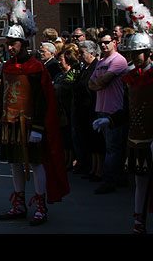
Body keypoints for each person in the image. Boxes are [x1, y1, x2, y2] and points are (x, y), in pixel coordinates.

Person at [0, 0, 69, 226]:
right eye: (8, 43)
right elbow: (1, 97)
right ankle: (18, 203)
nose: (10, 47)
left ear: (22, 43)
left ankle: (40, 203)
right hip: (11, 123)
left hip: (30, 124)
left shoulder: (36, 67)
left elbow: (42, 99)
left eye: (13, 43)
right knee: (14, 164)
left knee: (36, 164)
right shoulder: (7, 67)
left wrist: (37, 127)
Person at [102, 0, 153, 232]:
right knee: (140, 181)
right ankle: (138, 220)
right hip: (138, 137)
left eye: (138, 54)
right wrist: (110, 121)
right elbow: (127, 109)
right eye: (132, 53)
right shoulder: (131, 77)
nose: (134, 57)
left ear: (148, 53)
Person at [89, 29, 129, 195]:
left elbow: (103, 81)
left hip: (114, 110)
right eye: (101, 43)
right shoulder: (101, 61)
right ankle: (117, 177)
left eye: (107, 42)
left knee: (113, 148)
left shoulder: (118, 60)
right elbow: (91, 84)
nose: (104, 45)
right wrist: (100, 82)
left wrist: (100, 82)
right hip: (101, 109)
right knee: (109, 147)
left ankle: (109, 180)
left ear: (115, 42)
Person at [71, 40, 101, 178]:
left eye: (82, 53)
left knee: (95, 142)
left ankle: (97, 169)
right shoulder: (84, 68)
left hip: (92, 108)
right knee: (86, 140)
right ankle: (89, 166)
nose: (80, 56)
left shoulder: (96, 67)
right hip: (82, 109)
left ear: (92, 53)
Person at [52, 46, 80, 171]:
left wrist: (57, 87)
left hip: (69, 108)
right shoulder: (58, 75)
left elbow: (64, 89)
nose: (59, 62)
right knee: (63, 136)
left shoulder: (72, 73)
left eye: (61, 60)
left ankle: (72, 160)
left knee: (70, 136)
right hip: (59, 110)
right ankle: (65, 158)